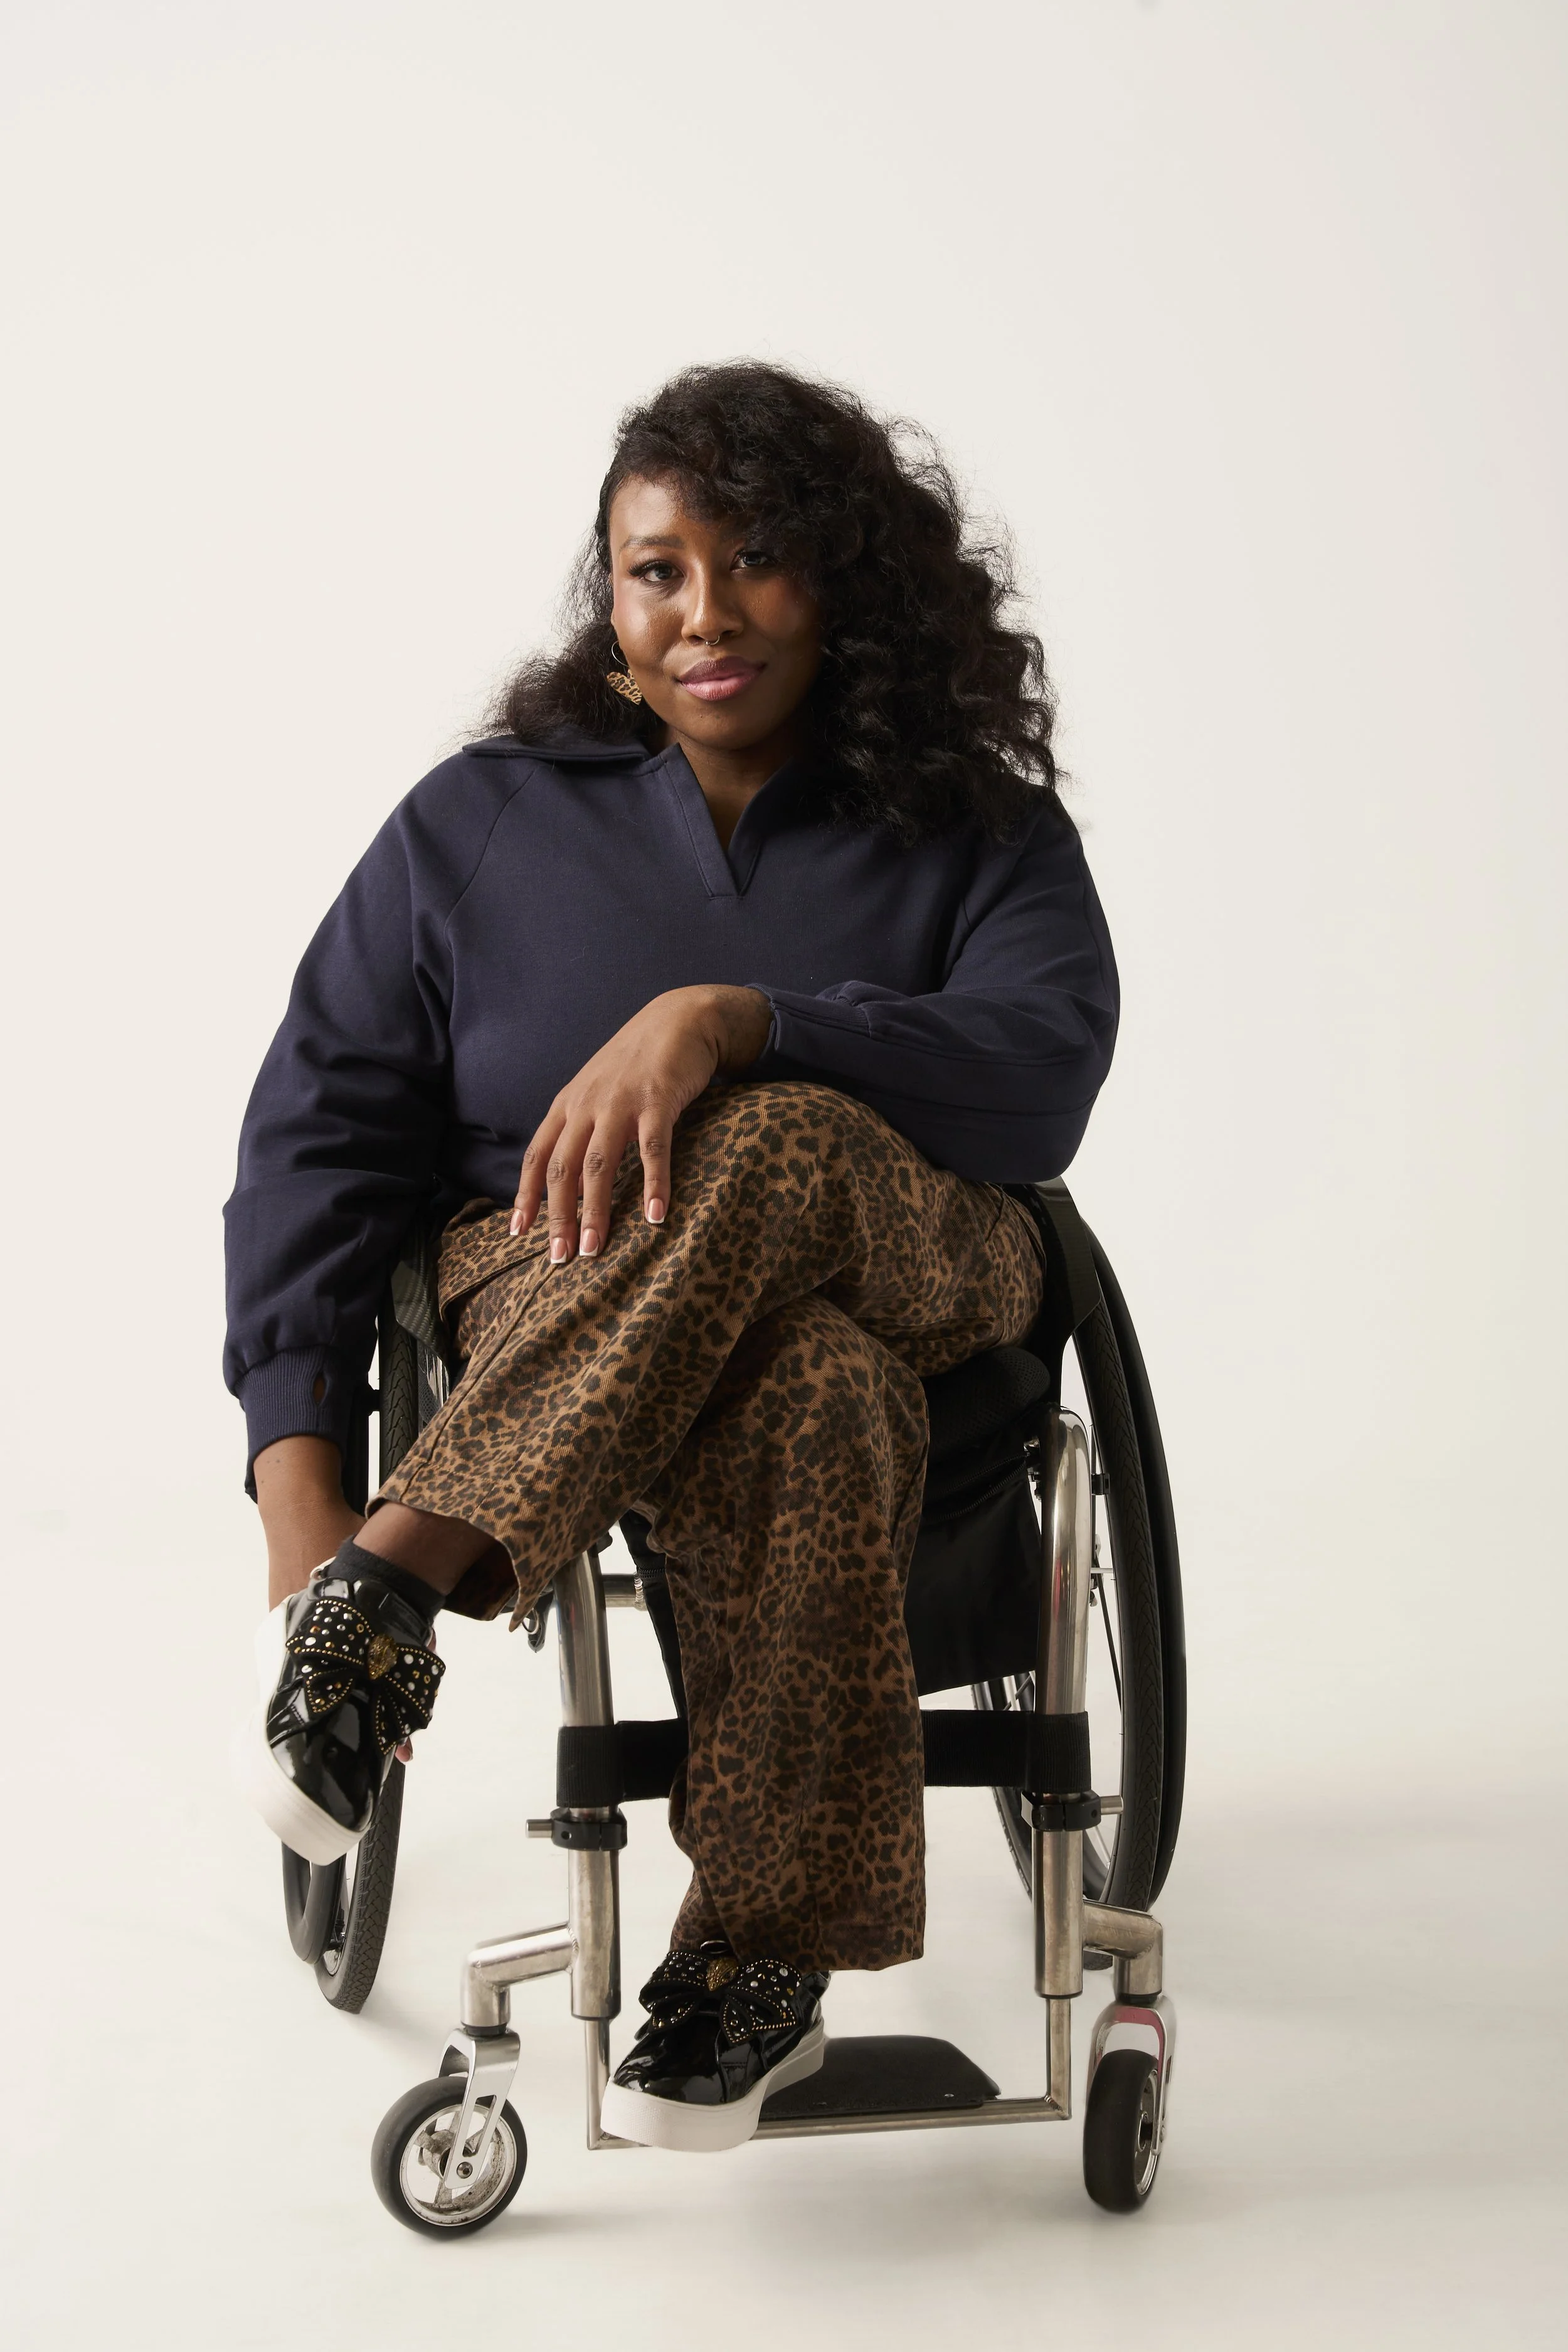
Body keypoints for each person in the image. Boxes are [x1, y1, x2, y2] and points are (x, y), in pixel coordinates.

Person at [226, 361, 1118, 2151]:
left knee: (770, 1130)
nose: (704, 611)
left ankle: (396, 1598)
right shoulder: (481, 820)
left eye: (756, 558)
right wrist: (297, 1481)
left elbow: (1042, 1068)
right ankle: (759, 1957)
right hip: (548, 1273)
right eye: (657, 571)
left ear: (846, 580)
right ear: (613, 604)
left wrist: (733, 1019)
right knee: (803, 1382)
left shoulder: (979, 825)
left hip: (927, 1261)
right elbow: (321, 1135)